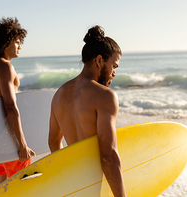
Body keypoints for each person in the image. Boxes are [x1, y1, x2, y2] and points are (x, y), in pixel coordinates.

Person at [48, 25, 127, 197]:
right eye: (114, 66)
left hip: (73, 185)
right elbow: (109, 156)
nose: (114, 73)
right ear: (99, 61)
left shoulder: (59, 94)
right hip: (94, 186)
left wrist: (68, 177)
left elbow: (54, 143)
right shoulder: (105, 96)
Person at [0, 17, 35, 186]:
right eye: (17, 42)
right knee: (23, 187)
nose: (20, 46)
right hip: (10, 140)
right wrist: (22, 144)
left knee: (2, 189)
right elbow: (10, 107)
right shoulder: (5, 67)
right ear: (6, 43)